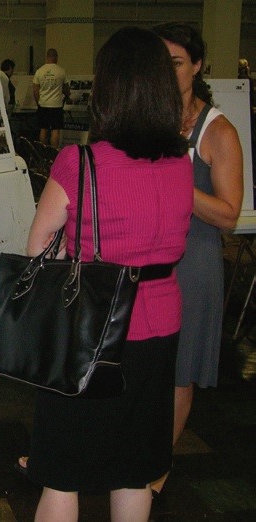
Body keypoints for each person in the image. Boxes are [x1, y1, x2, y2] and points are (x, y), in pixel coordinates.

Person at [22, 26, 193, 521]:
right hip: (159, 327)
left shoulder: (80, 162)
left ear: (107, 89)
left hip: (91, 329)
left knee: (62, 472)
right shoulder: (180, 161)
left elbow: (38, 251)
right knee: (133, 467)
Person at [150, 22, 244, 499]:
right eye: (160, 63)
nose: (168, 72)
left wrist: (176, 185)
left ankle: (157, 466)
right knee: (144, 364)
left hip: (195, 261)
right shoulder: (150, 118)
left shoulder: (218, 130)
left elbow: (228, 214)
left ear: (198, 65)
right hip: (147, 256)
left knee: (179, 368)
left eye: (177, 62)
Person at [33, 48, 70, 148]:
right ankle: (54, 153)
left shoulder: (39, 71)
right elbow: (66, 89)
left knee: (43, 129)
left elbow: (35, 90)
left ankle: (42, 152)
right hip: (56, 105)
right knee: (55, 129)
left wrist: (38, 102)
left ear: (47, 57)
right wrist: (66, 96)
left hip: (43, 104)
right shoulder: (61, 71)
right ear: (56, 58)